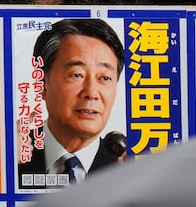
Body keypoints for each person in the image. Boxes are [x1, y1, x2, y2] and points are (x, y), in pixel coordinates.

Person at [17, 19, 127, 190]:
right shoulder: (11, 154)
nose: (91, 93)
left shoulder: (127, 167)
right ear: (42, 83)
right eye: (77, 75)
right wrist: (1, 165)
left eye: (105, 78)